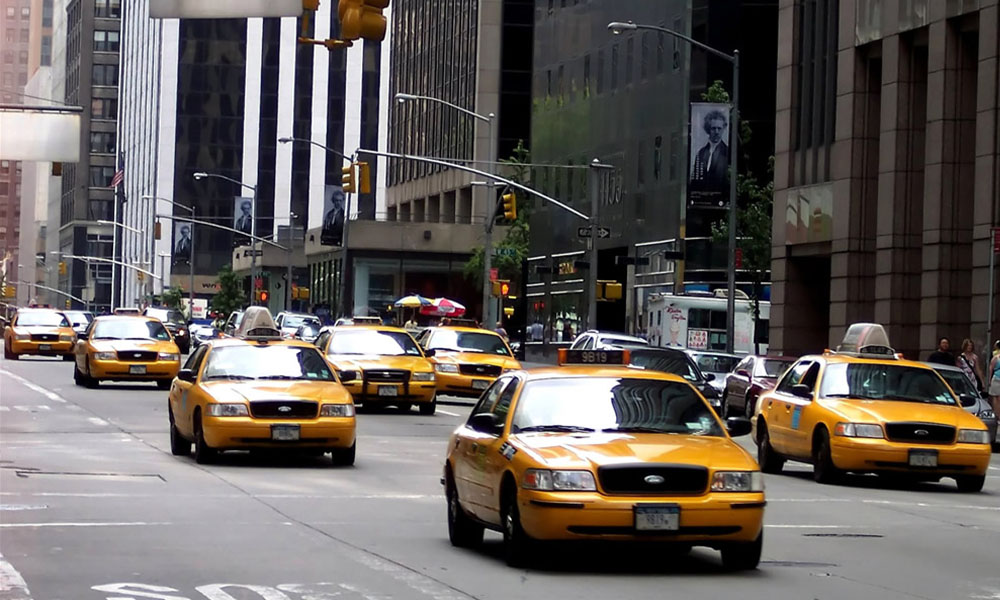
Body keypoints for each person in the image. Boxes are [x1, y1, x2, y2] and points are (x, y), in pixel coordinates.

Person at [691, 109, 730, 188]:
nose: (716, 132)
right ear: (708, 129)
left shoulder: (727, 152)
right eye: (713, 128)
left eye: (719, 128)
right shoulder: (701, 153)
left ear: (723, 129)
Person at [989, 341, 1000, 414]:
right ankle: (997, 415)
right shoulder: (996, 358)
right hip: (996, 379)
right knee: (996, 398)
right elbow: (991, 368)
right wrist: (989, 380)